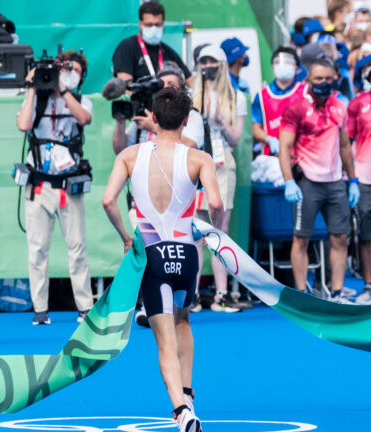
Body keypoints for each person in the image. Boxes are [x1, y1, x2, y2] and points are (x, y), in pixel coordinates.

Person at [103, 87, 223, 432]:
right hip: (186, 253)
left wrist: (127, 238)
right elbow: (215, 204)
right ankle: (187, 394)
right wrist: (211, 232)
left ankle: (181, 410)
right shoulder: (198, 158)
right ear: (186, 121)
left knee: (164, 337)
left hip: (152, 255)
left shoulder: (128, 156)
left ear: (152, 118)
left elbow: (109, 201)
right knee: (183, 322)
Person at [17, 51, 95, 325]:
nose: (66, 73)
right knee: (37, 248)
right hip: (39, 184)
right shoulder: (36, 100)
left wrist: (62, 91)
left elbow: (84, 118)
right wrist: (31, 88)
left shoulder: (81, 100)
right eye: (63, 69)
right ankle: (40, 309)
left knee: (77, 247)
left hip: (68, 184)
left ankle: (85, 307)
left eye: (72, 70)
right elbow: (23, 125)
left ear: (80, 75)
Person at [279, 58, 358, 302]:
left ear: (336, 79)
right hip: (307, 183)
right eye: (318, 79)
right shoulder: (296, 108)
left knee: (340, 237)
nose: (324, 83)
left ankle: (336, 292)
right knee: (301, 238)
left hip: (335, 183)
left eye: (328, 78)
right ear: (308, 81)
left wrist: (352, 180)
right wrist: (289, 181)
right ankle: (302, 293)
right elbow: (284, 148)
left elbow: (345, 145)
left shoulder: (339, 106)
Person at [190, 45, 247, 312]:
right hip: (198, 165)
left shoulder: (236, 97)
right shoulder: (191, 96)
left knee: (219, 232)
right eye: (204, 61)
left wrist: (221, 120)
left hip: (223, 166)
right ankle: (192, 294)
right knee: (196, 234)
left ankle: (221, 294)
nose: (208, 66)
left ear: (222, 64)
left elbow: (236, 137)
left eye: (213, 61)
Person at [113, 62, 204, 154]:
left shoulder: (191, 115)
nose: (165, 87)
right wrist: (121, 122)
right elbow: (120, 150)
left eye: (171, 85)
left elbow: (191, 146)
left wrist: (155, 128)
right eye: (160, 84)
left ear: (182, 90)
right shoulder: (147, 113)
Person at [112, 1, 192, 86]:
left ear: (163, 25)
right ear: (140, 24)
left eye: (157, 25)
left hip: (165, 97)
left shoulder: (168, 51)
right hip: (139, 98)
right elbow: (125, 87)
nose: (153, 29)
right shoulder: (127, 47)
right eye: (149, 25)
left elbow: (191, 80)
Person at [347, 61, 371, 304]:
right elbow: (348, 141)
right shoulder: (358, 103)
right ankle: (368, 285)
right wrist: (351, 178)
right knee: (367, 235)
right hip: (366, 178)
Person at [252, 47, 304, 156]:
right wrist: (269, 139)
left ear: (296, 68)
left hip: (301, 154)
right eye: (278, 62)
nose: (283, 65)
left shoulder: (305, 92)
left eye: (288, 62)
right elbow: (255, 128)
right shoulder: (262, 96)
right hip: (273, 156)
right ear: (272, 67)